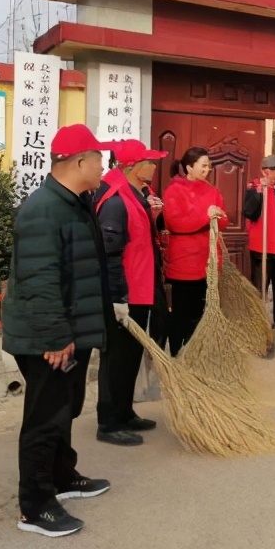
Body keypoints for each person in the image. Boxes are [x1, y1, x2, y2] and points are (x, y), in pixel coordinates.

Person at [2, 123, 117, 537]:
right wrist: (54, 337)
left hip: (71, 329)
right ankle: (35, 506)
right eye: (99, 158)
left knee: (65, 410)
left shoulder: (74, 202)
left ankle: (62, 477)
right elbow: (39, 279)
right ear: (80, 161)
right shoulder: (43, 209)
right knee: (44, 420)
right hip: (47, 337)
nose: (103, 165)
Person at [93, 139, 169, 447]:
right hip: (123, 293)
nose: (153, 166)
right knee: (116, 359)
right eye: (149, 162)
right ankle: (108, 422)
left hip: (140, 288)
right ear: (131, 167)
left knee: (129, 357)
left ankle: (124, 412)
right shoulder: (114, 201)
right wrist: (116, 298)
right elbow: (110, 254)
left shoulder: (137, 194)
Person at [162, 147, 228, 355]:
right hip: (184, 262)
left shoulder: (212, 190)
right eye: (203, 165)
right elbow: (176, 223)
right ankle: (175, 355)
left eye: (209, 166)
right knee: (182, 313)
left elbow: (224, 220)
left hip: (207, 260)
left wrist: (216, 216)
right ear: (189, 167)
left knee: (201, 314)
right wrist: (206, 217)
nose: (207, 170)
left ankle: (195, 355)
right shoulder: (174, 190)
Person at [243, 154, 275, 342]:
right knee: (259, 291)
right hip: (263, 250)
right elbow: (248, 212)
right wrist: (259, 192)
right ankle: (256, 326)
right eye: (274, 170)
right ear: (264, 171)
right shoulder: (255, 187)